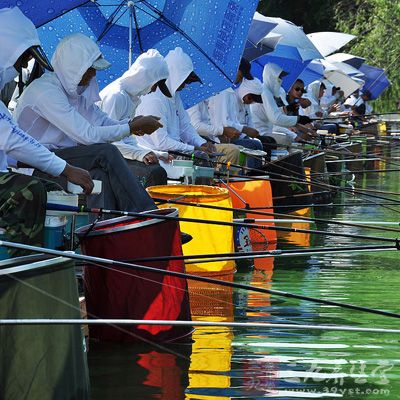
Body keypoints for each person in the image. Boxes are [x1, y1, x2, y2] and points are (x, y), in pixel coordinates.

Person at [14, 33, 162, 216]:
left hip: (59, 157)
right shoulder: (45, 91)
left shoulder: (76, 91)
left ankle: (108, 231)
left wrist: (133, 124)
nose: (93, 74)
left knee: (100, 176)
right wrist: (130, 128)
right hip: (31, 162)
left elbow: (103, 121)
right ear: (73, 68)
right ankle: (146, 214)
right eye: (90, 69)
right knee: (106, 152)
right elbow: (87, 135)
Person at [0, 7, 93, 255]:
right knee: (29, 191)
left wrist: (50, 167)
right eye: (21, 60)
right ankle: (17, 270)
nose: (20, 68)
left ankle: (56, 255)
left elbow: (11, 144)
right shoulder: (46, 91)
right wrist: (65, 168)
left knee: (51, 189)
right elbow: (10, 138)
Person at [135, 47, 217, 175]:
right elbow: (161, 142)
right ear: (174, 76)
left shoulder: (174, 95)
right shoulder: (154, 99)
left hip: (174, 151)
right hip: (157, 156)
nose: (185, 86)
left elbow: (185, 126)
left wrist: (202, 142)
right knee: (202, 159)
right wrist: (193, 148)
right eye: (184, 81)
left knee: (208, 156)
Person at [99, 49, 173, 187]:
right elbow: (109, 141)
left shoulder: (131, 97)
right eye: (155, 84)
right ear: (145, 78)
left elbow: (127, 140)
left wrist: (158, 154)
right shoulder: (116, 96)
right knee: (155, 172)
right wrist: (140, 154)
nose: (154, 90)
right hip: (101, 156)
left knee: (158, 168)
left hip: (113, 153)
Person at [207, 58, 264, 170]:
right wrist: (244, 130)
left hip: (223, 135)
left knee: (257, 143)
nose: (241, 78)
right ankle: (252, 175)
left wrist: (245, 132)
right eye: (241, 74)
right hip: (216, 137)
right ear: (235, 69)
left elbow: (232, 122)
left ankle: (255, 174)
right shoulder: (223, 90)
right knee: (253, 145)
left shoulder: (229, 91)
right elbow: (223, 123)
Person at [251, 63, 312, 146]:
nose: (281, 80)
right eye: (279, 77)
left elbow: (280, 113)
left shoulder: (275, 92)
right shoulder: (264, 91)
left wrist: (289, 109)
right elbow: (276, 119)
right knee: (287, 139)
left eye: (281, 77)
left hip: (269, 131)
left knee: (290, 139)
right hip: (260, 133)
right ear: (271, 76)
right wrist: (299, 119)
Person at [187, 99, 241, 166]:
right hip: (192, 145)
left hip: (205, 141)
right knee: (232, 150)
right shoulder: (193, 100)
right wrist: (222, 131)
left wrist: (218, 135)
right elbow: (196, 127)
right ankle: (222, 174)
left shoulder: (205, 100)